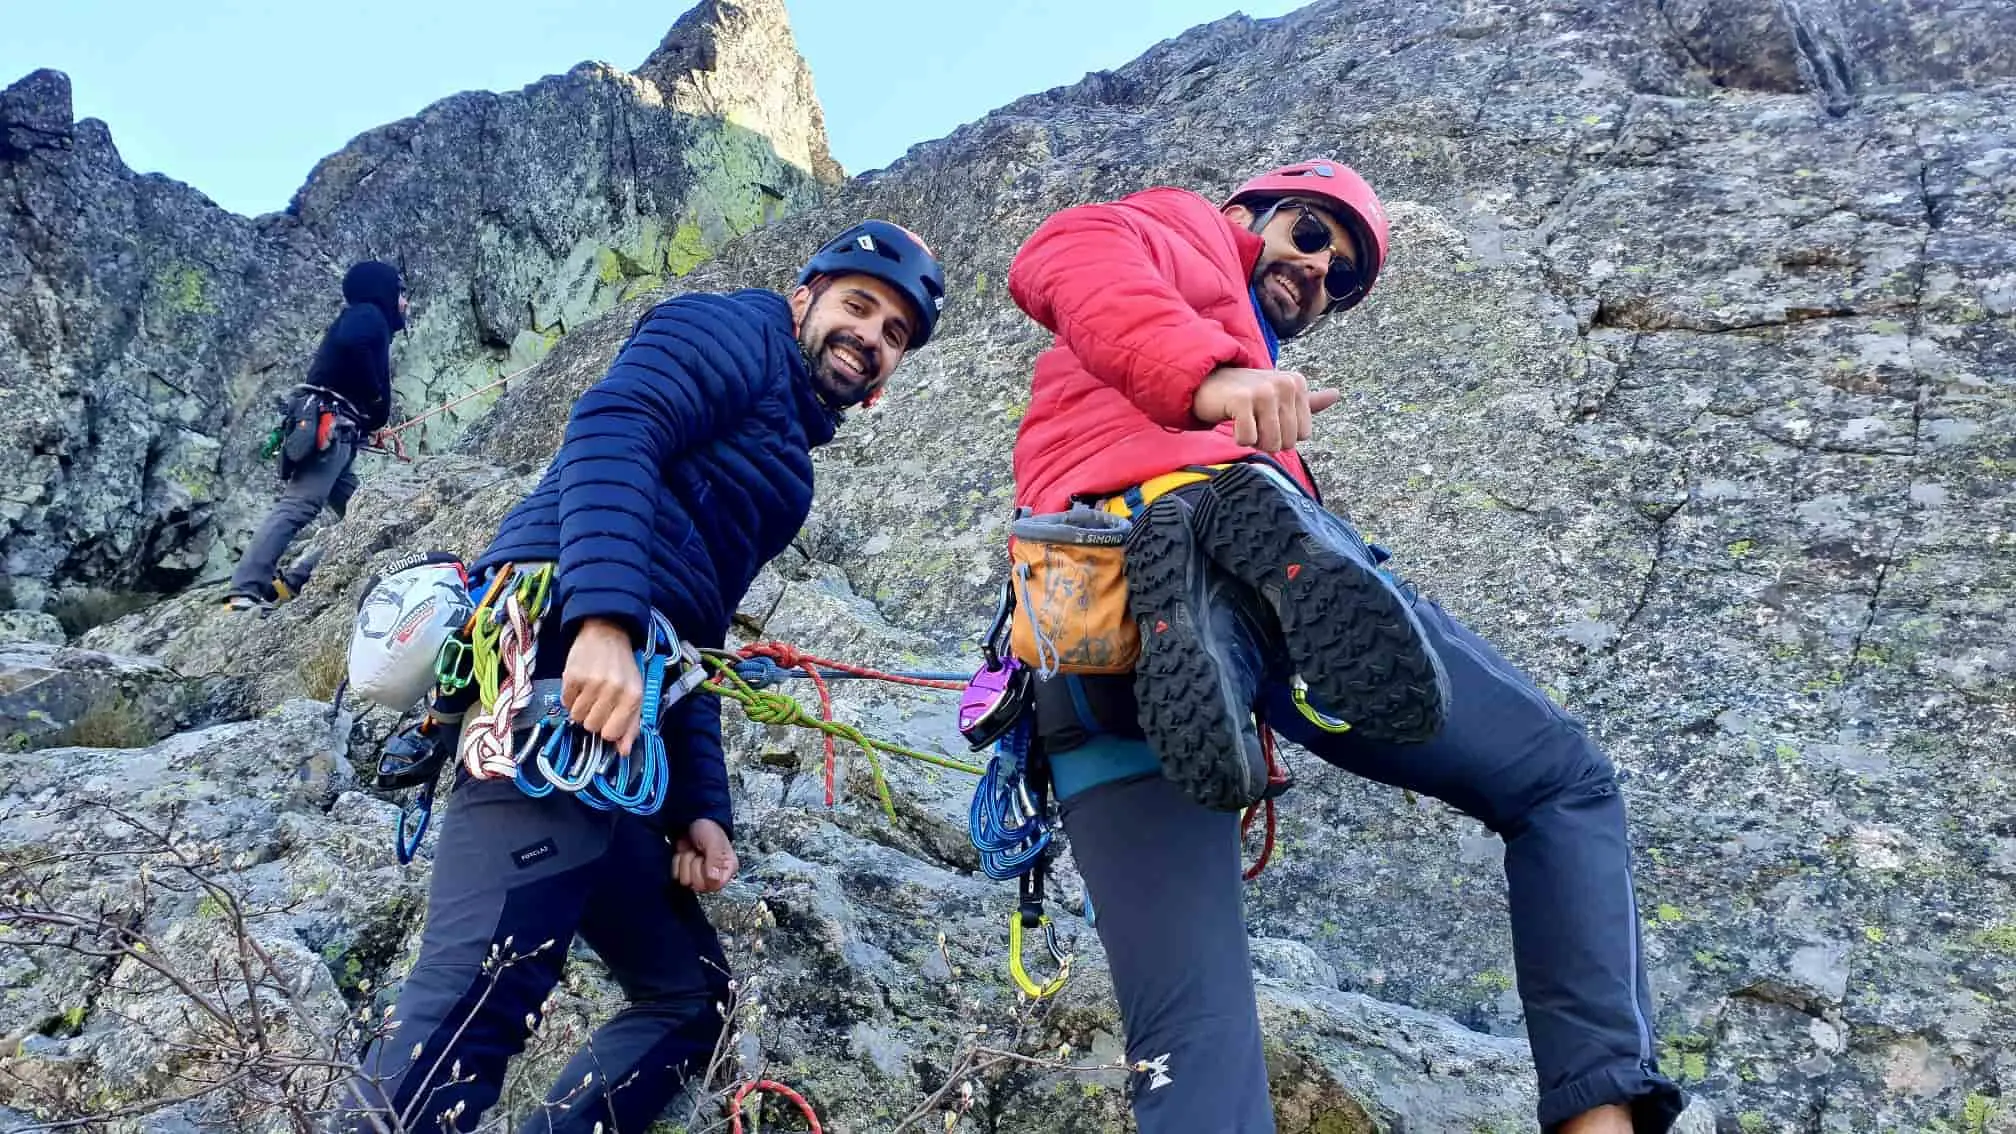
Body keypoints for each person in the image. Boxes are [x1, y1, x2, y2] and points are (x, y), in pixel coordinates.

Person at [1002, 160, 1685, 1133]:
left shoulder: (1260, 395)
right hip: (1166, 533)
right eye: (1312, 234)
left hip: (1078, 633)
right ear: (1246, 210)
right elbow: (1063, 250)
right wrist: (1207, 379)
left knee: (1193, 1040)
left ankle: (1209, 634)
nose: (1320, 270)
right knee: (1561, 781)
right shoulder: (1184, 232)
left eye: (1346, 276)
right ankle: (1215, 600)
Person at [334, 220, 947, 1133]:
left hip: (616, 711)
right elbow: (613, 427)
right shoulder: (732, 330)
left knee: (690, 999)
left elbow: (693, 638)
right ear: (803, 295)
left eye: (896, 333)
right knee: (480, 990)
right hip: (553, 669)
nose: (872, 337)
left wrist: (701, 807)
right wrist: (603, 623)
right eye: (859, 306)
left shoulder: (787, 461)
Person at [224, 259, 406, 611]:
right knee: (300, 505)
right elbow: (355, 346)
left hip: (337, 430)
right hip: (332, 427)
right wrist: (375, 395)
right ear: (384, 291)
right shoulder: (369, 314)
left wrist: (369, 422)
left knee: (368, 516)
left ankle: (290, 583)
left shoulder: (364, 318)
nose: (405, 303)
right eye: (401, 293)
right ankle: (245, 588)